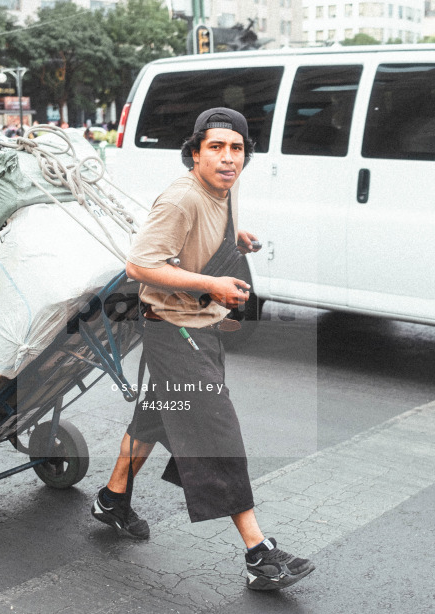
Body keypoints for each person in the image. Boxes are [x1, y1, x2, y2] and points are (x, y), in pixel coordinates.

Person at [91, 107, 316, 591]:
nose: (227, 157)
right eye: (215, 147)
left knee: (154, 416)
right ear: (195, 153)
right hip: (174, 330)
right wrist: (211, 282)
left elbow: (215, 218)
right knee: (216, 430)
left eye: (236, 148)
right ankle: (260, 553)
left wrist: (236, 235)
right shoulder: (180, 199)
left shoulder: (225, 187)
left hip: (200, 326)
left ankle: (111, 499)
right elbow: (139, 265)